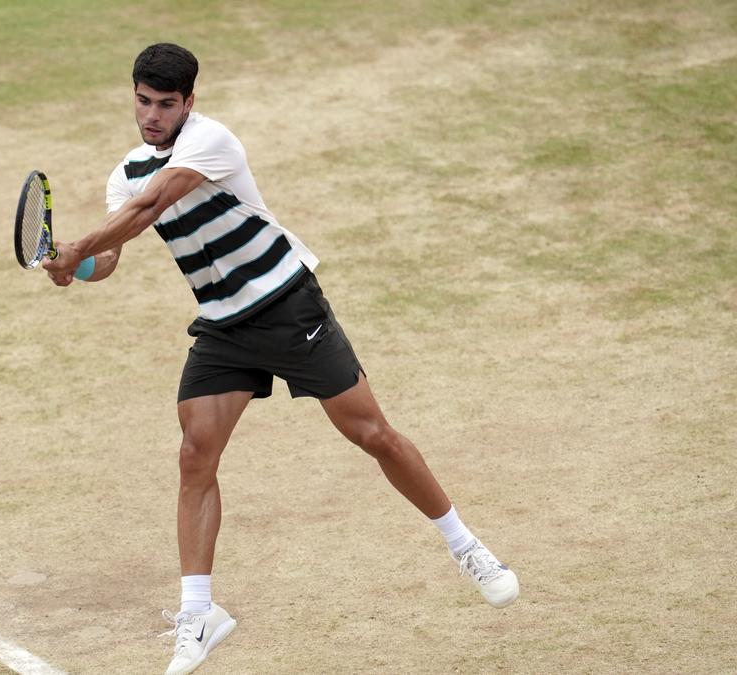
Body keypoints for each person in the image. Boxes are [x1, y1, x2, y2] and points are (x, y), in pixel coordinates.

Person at [43, 43, 519, 675]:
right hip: (224, 327)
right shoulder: (126, 173)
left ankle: (467, 547)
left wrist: (81, 244)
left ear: (189, 103)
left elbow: (149, 209)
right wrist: (75, 266)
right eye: (143, 101)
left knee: (370, 433)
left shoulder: (209, 142)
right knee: (195, 453)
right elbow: (112, 252)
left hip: (286, 306)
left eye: (166, 104)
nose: (152, 115)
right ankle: (200, 613)